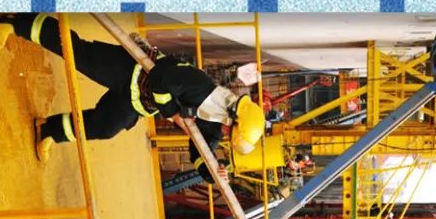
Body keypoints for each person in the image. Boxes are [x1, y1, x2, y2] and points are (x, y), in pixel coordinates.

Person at [21, 23, 262, 154]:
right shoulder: (200, 86)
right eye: (230, 132)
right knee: (78, 54)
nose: (225, 135)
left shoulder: (215, 123)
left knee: (105, 127)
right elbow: (161, 78)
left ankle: (48, 130)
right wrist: (173, 113)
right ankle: (19, 23)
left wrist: (214, 173)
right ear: (232, 117)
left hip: (136, 102)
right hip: (131, 70)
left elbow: (201, 150)